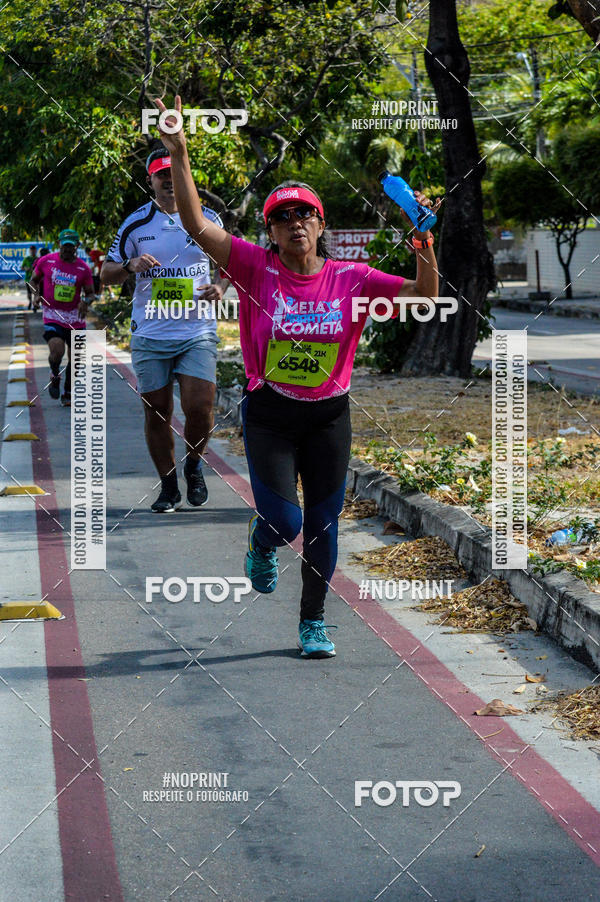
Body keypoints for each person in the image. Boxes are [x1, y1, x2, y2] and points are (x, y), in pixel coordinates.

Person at [154, 96, 440, 658]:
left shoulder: (352, 278)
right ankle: (262, 544)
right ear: (271, 231)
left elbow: (427, 295)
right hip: (272, 416)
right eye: (281, 217)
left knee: (324, 526)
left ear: (320, 222)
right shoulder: (253, 267)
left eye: (303, 213)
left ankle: (313, 622)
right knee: (285, 522)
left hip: (329, 416)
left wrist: (424, 239)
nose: (294, 223)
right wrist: (181, 154)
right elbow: (194, 221)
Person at [101, 144, 225, 512]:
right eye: (161, 176)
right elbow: (105, 274)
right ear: (150, 180)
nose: (169, 181)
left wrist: (221, 286)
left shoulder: (208, 218)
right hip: (151, 335)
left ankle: (194, 465)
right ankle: (169, 486)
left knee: (200, 406)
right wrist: (130, 264)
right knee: (157, 410)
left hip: (196, 331)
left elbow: (231, 263)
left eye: (174, 174)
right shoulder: (135, 223)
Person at [30, 229, 94, 406]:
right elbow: (33, 280)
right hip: (53, 315)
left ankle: (68, 392)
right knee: (57, 350)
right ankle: (55, 372)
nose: (66, 250)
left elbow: (91, 293)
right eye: (64, 246)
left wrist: (85, 301)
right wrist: (36, 296)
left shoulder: (83, 268)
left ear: (77, 247)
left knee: (76, 359)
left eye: (70, 247)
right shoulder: (47, 261)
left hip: (75, 318)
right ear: (59, 244)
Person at [22, 245, 38, 309]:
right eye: (31, 250)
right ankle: (30, 302)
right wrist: (26, 268)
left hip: (35, 278)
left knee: (35, 292)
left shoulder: (37, 259)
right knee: (29, 293)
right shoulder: (26, 259)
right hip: (28, 278)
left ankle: (34, 304)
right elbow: (22, 267)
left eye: (33, 250)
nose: (32, 251)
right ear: (29, 251)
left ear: (35, 251)